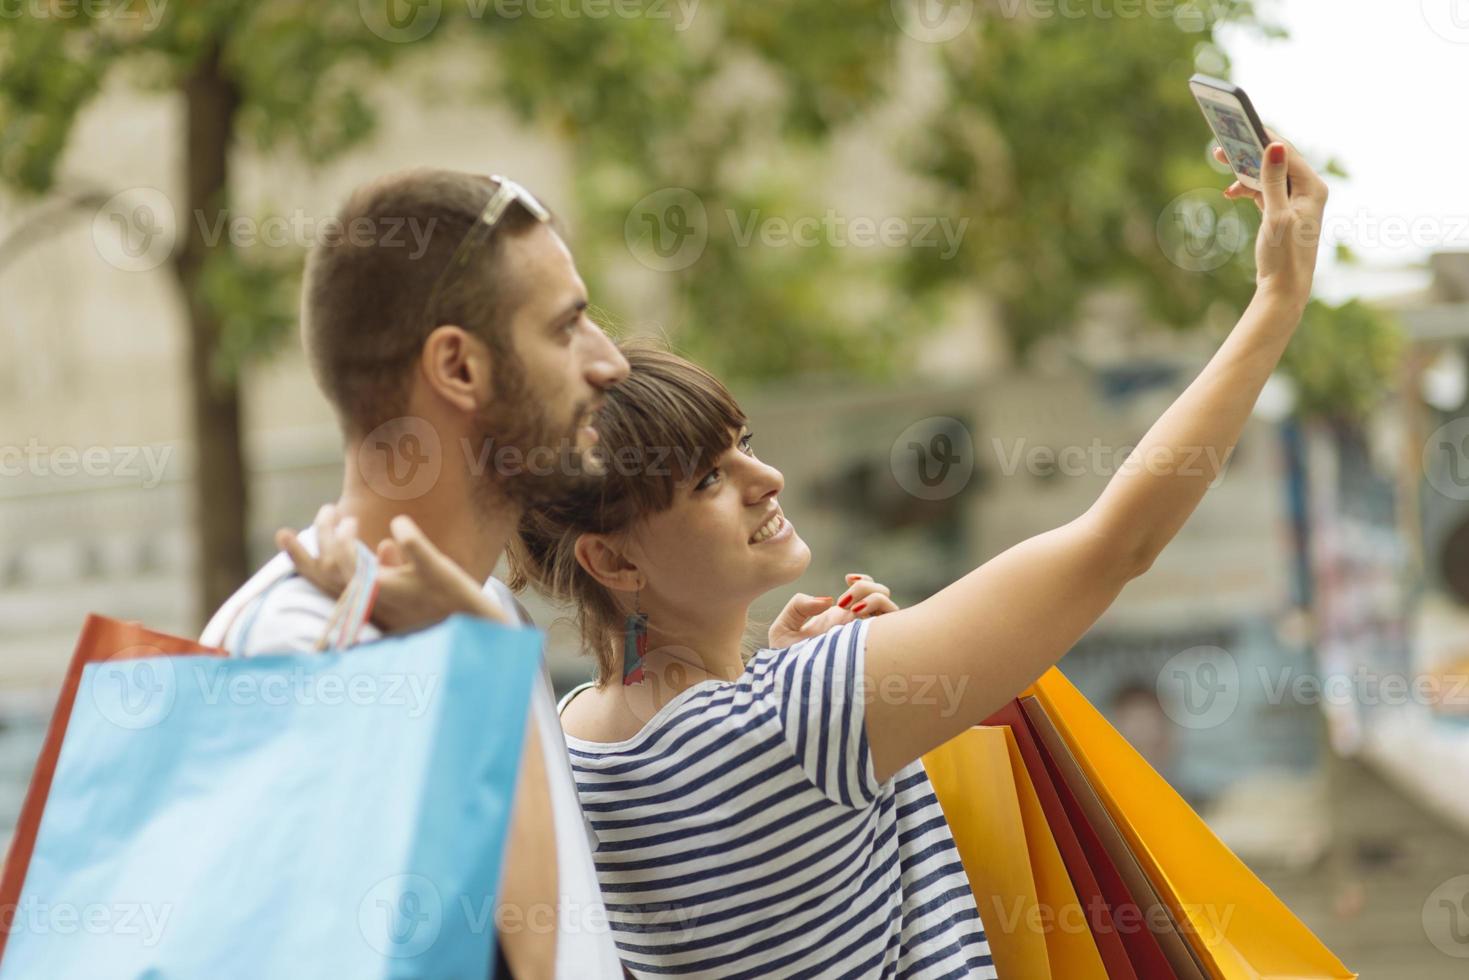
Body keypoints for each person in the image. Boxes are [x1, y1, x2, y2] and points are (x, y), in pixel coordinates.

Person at [290, 137, 1328, 977]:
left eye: (740, 441)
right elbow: (1115, 544)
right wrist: (1273, 303)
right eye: (705, 479)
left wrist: (771, 668)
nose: (763, 478)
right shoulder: (803, 713)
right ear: (611, 558)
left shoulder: (572, 744)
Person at [199, 169, 631, 979]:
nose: (609, 363)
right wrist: (481, 660)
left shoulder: (482, 618)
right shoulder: (299, 651)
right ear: (458, 368)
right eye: (567, 327)